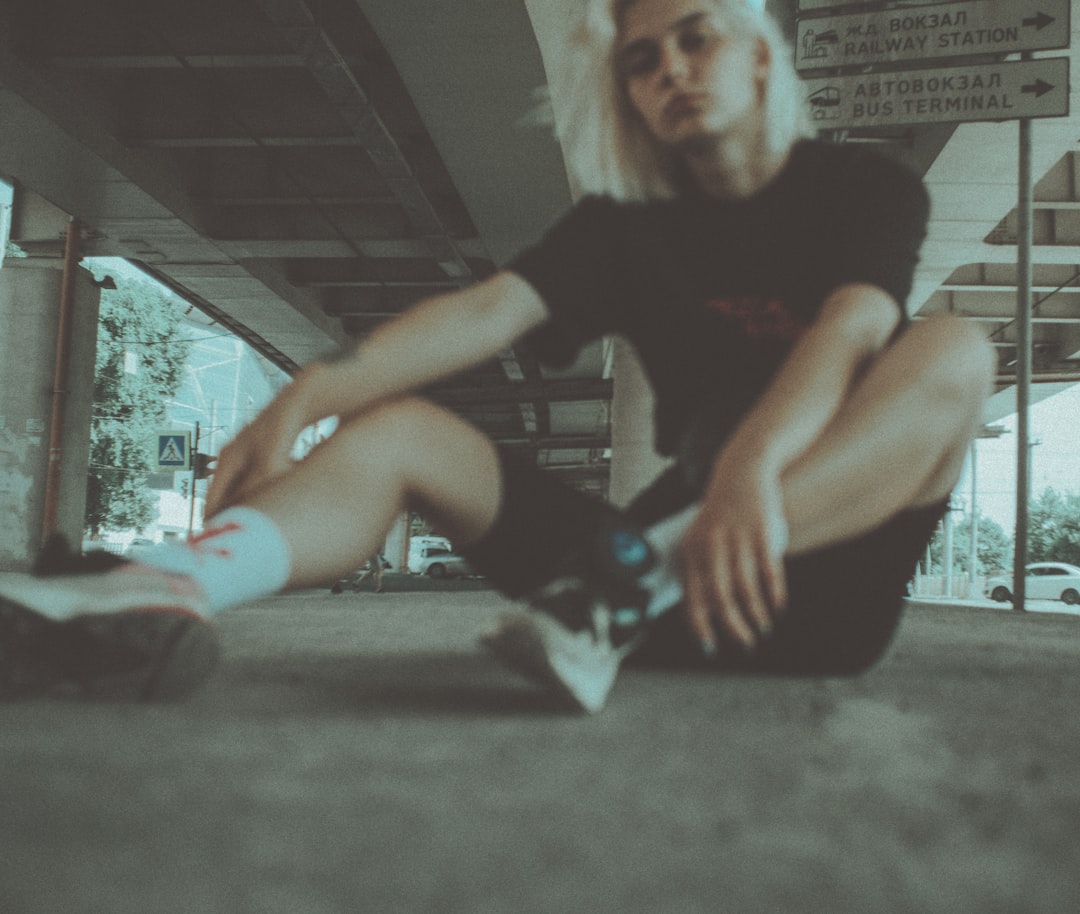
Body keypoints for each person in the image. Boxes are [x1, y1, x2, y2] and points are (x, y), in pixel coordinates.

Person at [0, 0, 993, 711]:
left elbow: (851, 329)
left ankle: (632, 585)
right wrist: (306, 394)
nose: (672, 70)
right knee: (395, 431)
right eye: (644, 61)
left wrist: (747, 470)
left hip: (807, 586)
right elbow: (481, 314)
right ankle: (159, 588)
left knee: (953, 347)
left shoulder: (864, 188)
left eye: (697, 37)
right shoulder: (625, 228)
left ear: (764, 56)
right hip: (595, 605)